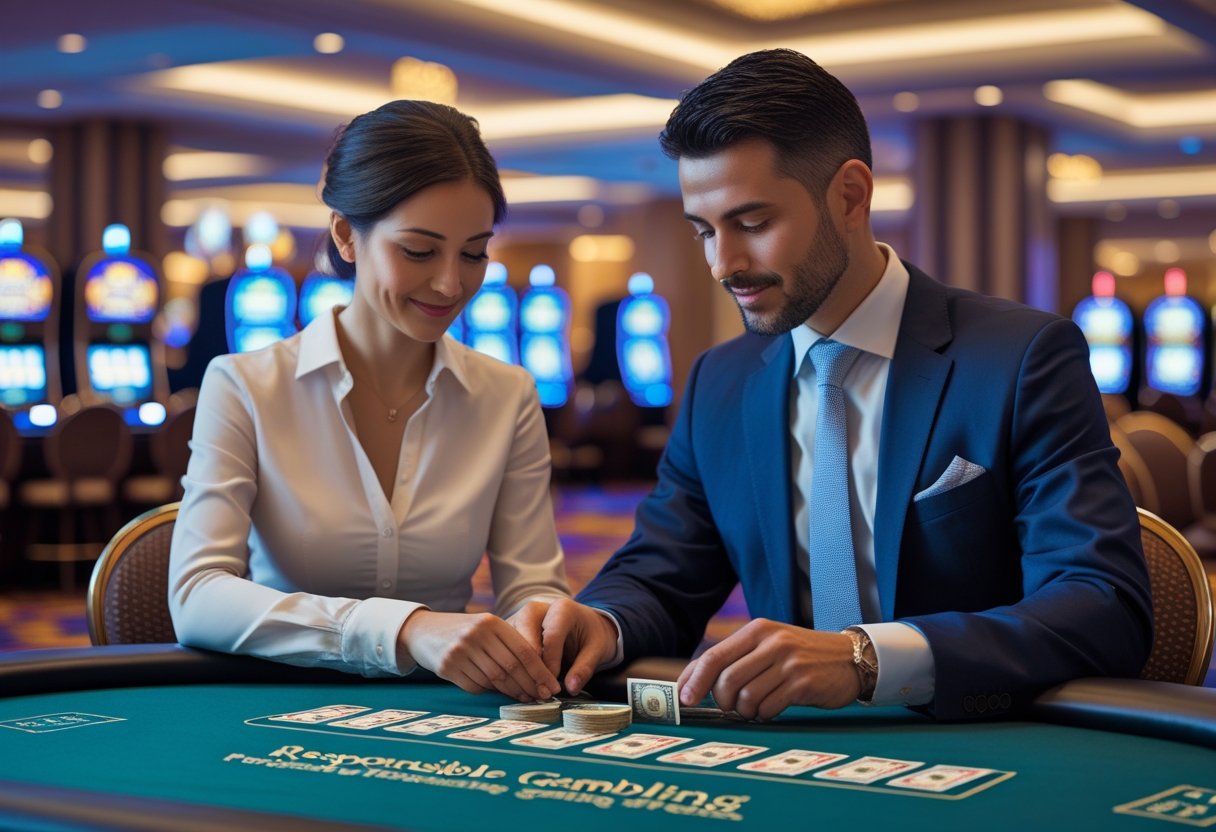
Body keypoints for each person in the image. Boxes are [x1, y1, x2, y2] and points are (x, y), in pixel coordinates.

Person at [528, 49, 1153, 721]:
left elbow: (1101, 604)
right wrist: (603, 619)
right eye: (704, 231)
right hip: (789, 749)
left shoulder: (1021, 356)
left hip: (975, 743)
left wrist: (868, 658)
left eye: (753, 223)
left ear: (851, 195)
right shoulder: (721, 380)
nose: (722, 264)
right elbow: (662, 570)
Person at [169, 100, 570, 702]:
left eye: (473, 253)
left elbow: (532, 586)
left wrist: (546, 621)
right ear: (345, 236)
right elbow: (198, 597)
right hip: (284, 703)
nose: (450, 284)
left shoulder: (507, 394)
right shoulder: (244, 384)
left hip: (448, 708)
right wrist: (405, 628)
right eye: (418, 251)